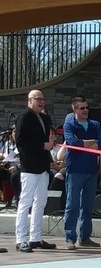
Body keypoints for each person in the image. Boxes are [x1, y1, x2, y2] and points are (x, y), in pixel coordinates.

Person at [63, 96, 101, 250]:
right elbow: (72, 142)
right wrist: (90, 143)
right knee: (72, 205)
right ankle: (70, 237)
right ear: (75, 109)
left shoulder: (95, 124)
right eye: (82, 108)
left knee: (87, 206)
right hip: (75, 170)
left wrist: (84, 143)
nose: (85, 110)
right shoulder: (70, 124)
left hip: (91, 170)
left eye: (87, 108)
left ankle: (85, 237)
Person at [14, 90, 55, 253]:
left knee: (41, 202)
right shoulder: (24, 117)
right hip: (29, 166)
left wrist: (49, 145)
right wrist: (42, 145)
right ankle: (21, 238)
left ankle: (35, 237)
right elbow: (21, 141)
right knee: (26, 201)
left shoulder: (45, 118)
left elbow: (47, 140)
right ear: (29, 101)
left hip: (43, 166)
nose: (41, 101)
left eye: (42, 99)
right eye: (37, 99)